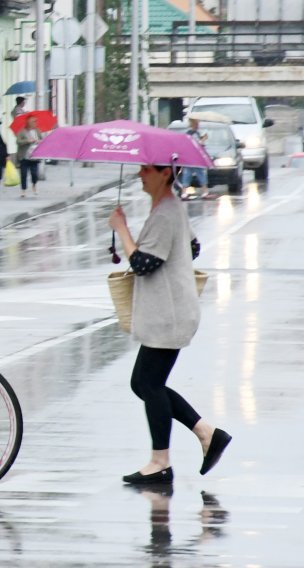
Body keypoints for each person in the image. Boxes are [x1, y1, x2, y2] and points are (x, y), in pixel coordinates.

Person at [108, 163, 231, 486]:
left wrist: (121, 229)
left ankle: (161, 461)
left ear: (165, 173)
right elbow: (192, 247)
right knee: (145, 383)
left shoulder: (165, 212)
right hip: (172, 311)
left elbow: (143, 264)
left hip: (169, 315)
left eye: (146, 169)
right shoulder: (169, 207)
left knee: (147, 384)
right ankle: (206, 433)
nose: (140, 174)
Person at [179, 118, 212, 200]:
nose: (198, 125)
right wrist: (204, 139)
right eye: (197, 123)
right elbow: (197, 144)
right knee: (200, 173)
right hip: (195, 158)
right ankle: (204, 192)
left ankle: (184, 193)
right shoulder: (192, 133)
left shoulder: (190, 133)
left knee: (187, 174)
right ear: (194, 124)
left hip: (189, 158)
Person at [16, 115, 42, 197]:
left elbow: (42, 140)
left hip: (34, 156)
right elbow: (18, 142)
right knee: (23, 174)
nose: (35, 123)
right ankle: (23, 190)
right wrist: (28, 141)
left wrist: (39, 141)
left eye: (35, 121)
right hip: (24, 156)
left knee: (34, 173)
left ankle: (34, 185)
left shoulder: (37, 131)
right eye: (33, 121)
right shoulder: (22, 131)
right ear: (28, 122)